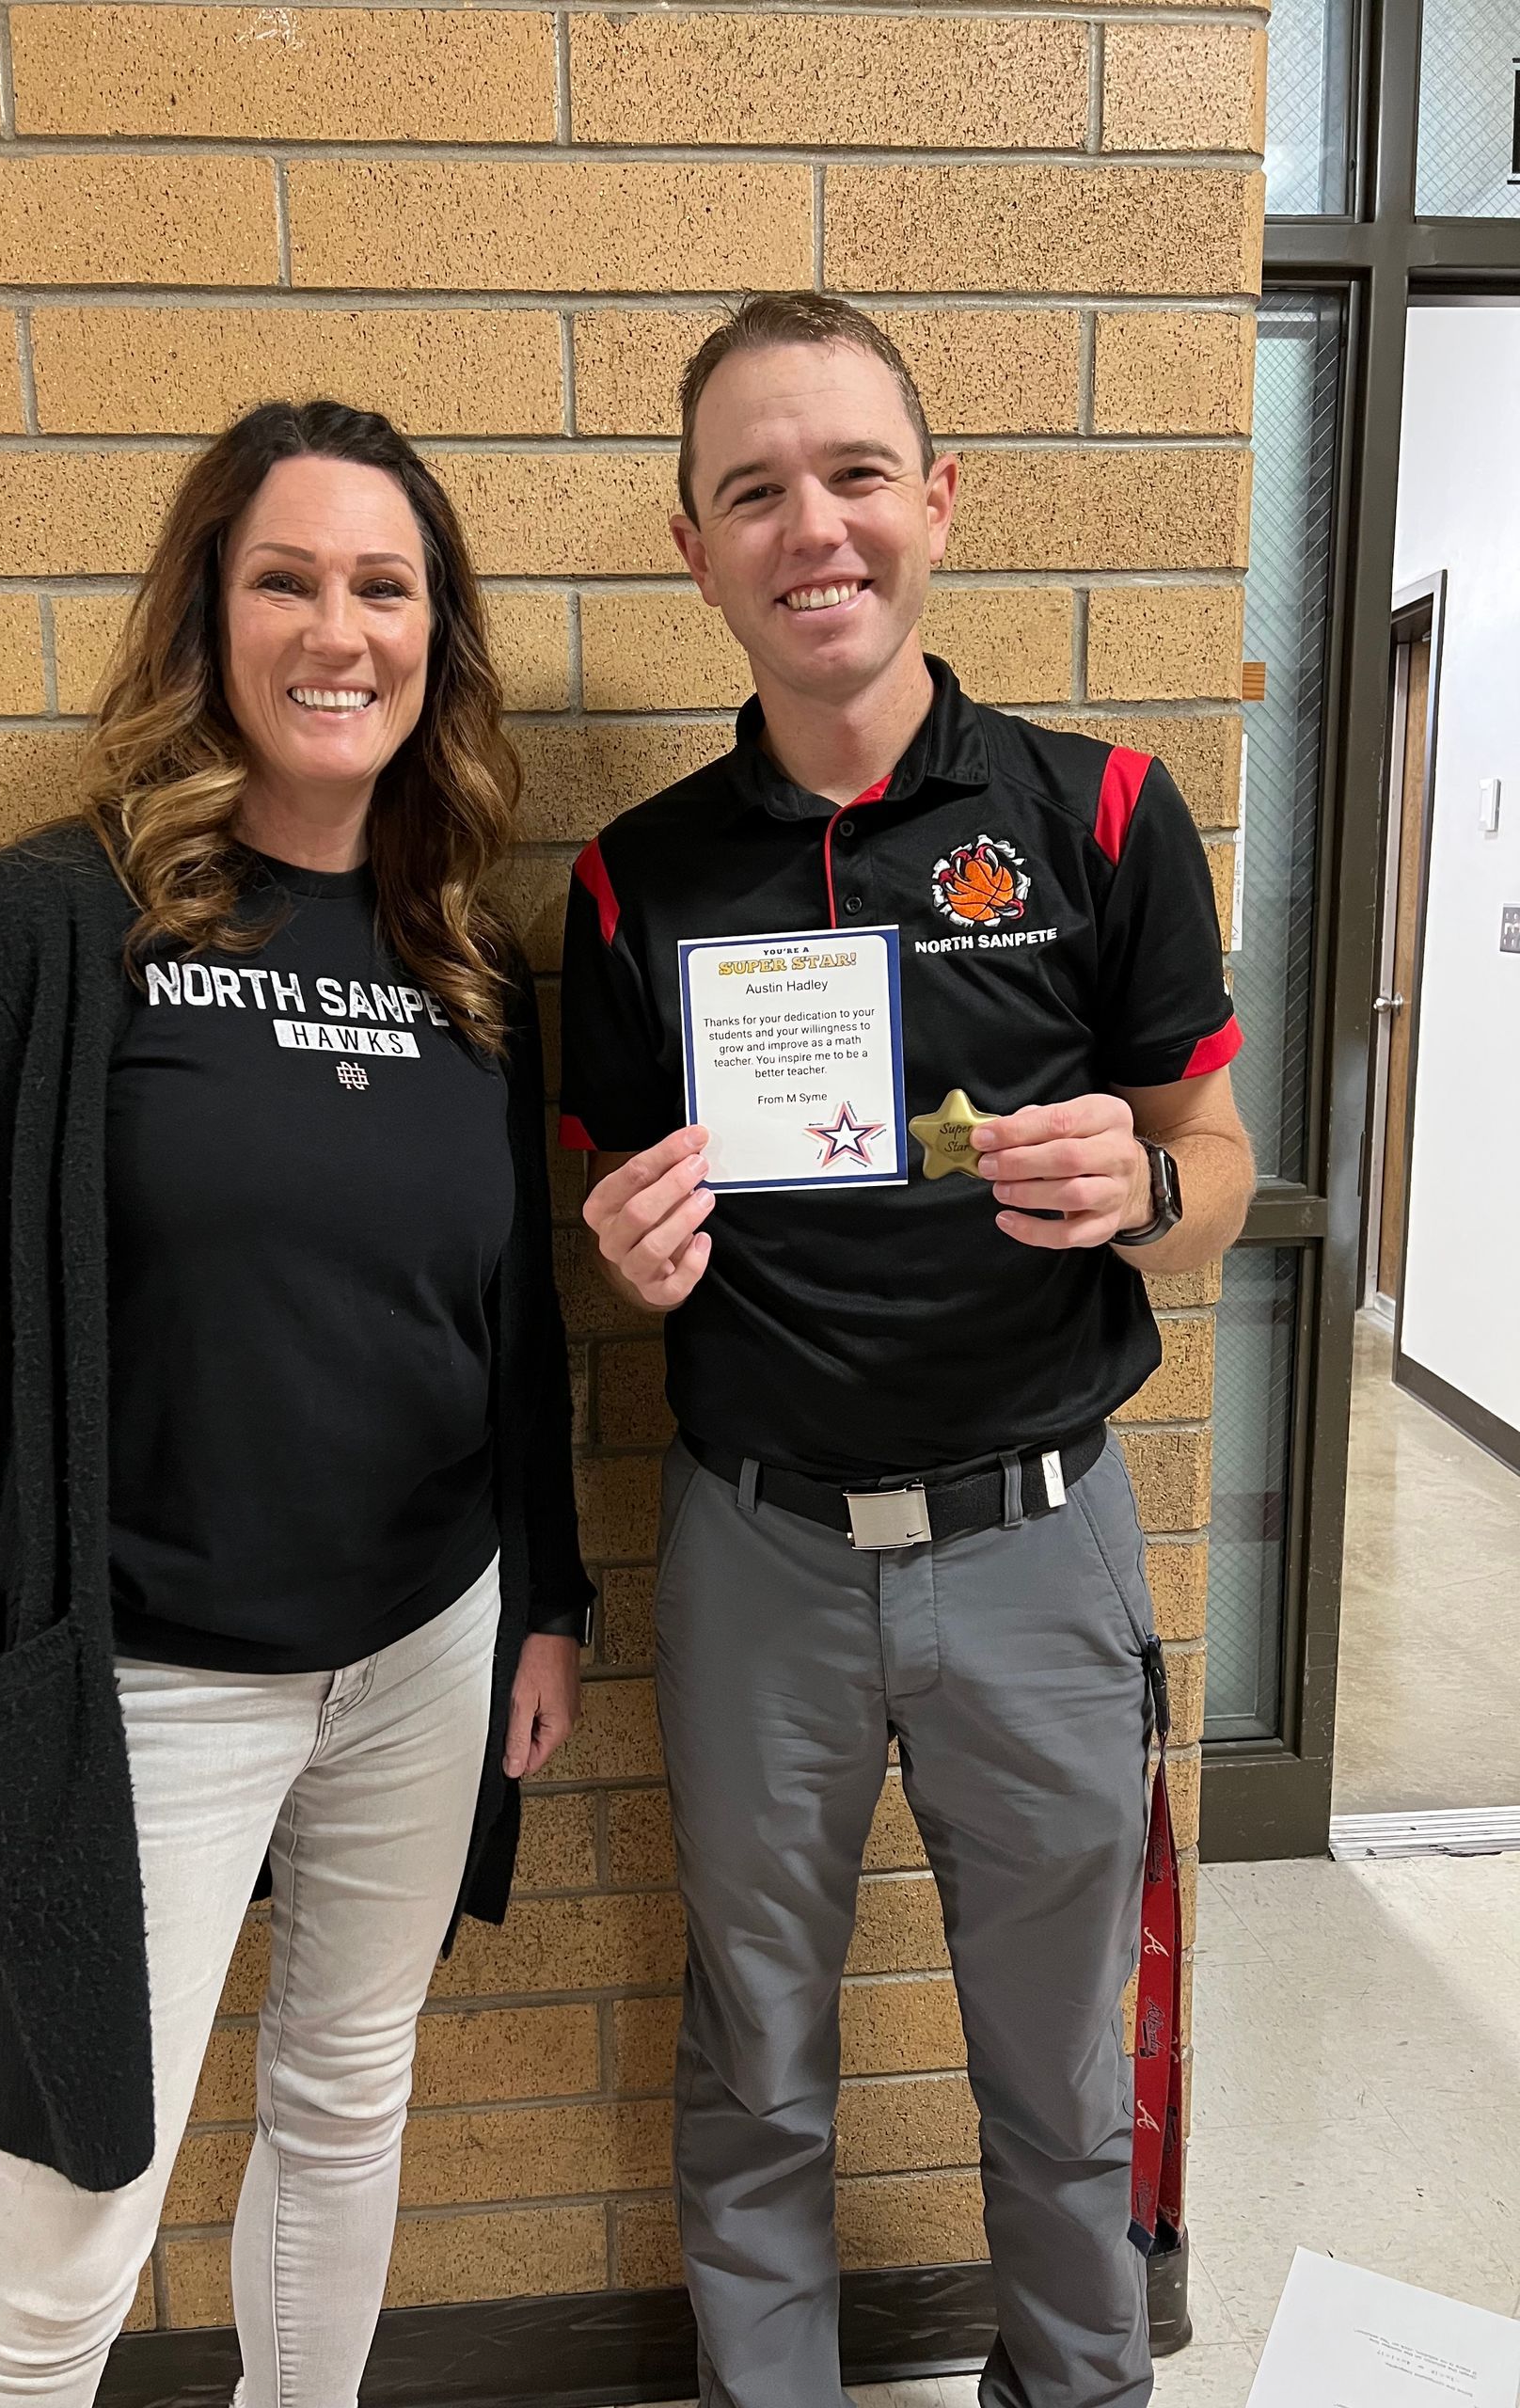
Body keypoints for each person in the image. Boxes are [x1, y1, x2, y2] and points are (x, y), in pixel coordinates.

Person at [0, 399, 592, 2408]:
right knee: (73, 2207)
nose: (337, 628)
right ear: (208, 612)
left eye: (384, 585)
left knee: (350, 2101)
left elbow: (511, 1308)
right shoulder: (59, 920)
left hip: (425, 1642)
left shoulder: (465, 953)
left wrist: (547, 1594)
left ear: (438, 637)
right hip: (138, 1677)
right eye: (287, 579)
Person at [559, 293, 1254, 2408]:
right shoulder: (630, 879)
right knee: (757, 2058)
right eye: (754, 488)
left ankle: (1078, 2388)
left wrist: (1138, 1192)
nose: (815, 526)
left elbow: (1219, 1161)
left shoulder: (1103, 811)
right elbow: (596, 1233)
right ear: (694, 546)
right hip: (755, 1550)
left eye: (856, 472)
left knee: (1054, 2073)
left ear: (937, 504)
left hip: (1039, 1545)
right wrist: (626, 1259)